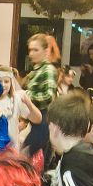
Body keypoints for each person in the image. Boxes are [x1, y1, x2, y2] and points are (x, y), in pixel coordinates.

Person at [22, 34, 60, 165]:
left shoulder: (48, 69)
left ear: (45, 51)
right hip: (36, 119)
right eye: (30, 50)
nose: (31, 53)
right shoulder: (36, 70)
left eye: (35, 50)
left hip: (44, 120)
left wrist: (27, 96)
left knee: (29, 160)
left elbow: (49, 97)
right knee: (27, 159)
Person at [0, 64, 42, 150]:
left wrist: (29, 104)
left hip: (11, 151)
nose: (3, 85)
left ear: (11, 82)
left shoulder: (16, 99)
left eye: (6, 81)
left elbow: (37, 119)